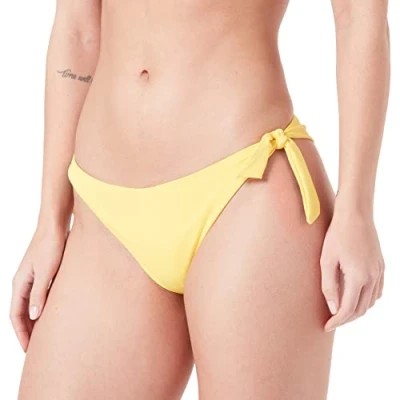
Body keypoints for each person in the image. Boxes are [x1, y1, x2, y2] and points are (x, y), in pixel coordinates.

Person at [11, 0, 389, 399]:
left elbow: (358, 15)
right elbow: (77, 30)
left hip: (245, 193)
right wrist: (50, 221)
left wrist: (357, 210)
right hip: (104, 216)